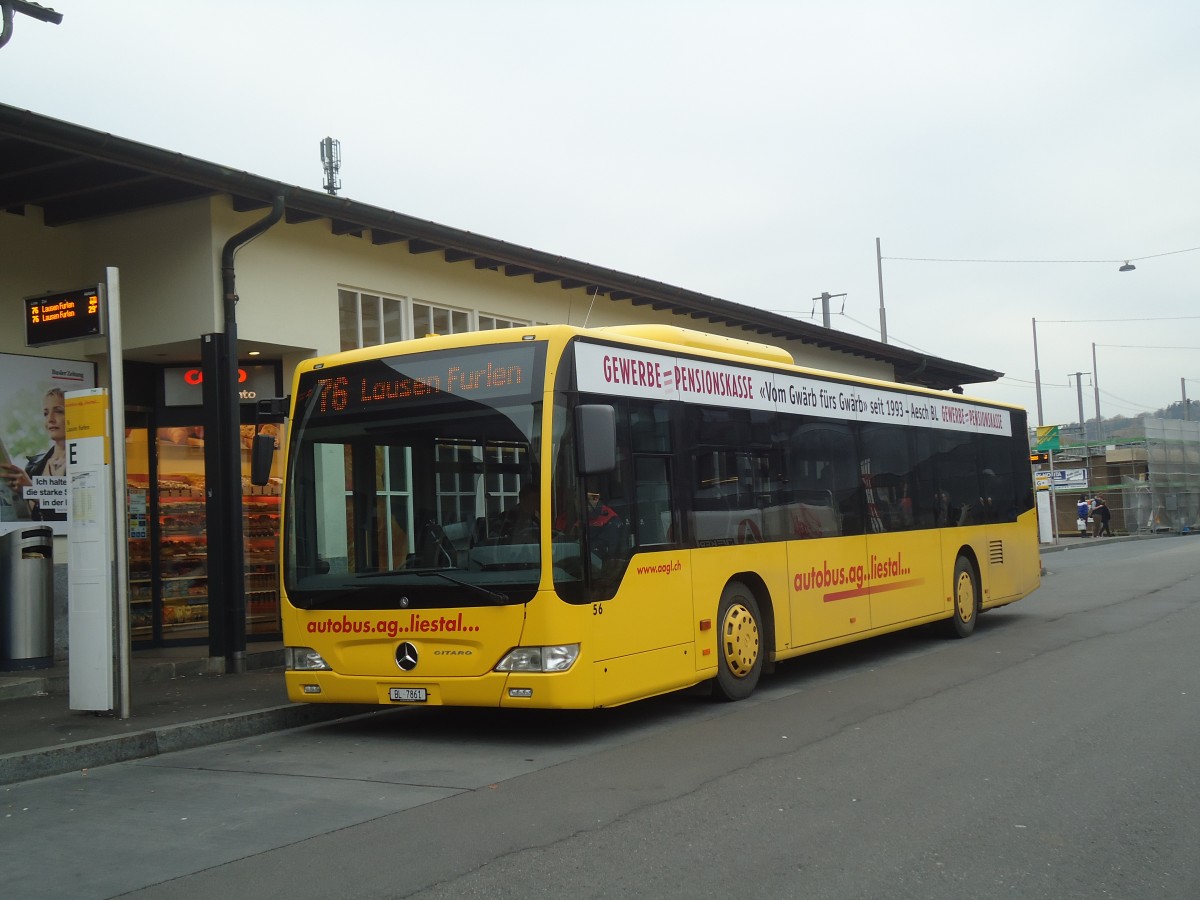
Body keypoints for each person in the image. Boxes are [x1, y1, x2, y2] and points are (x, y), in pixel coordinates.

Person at [0, 387, 67, 521]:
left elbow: (80, 510)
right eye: (45, 413)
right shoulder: (33, 466)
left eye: (59, 411)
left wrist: (33, 491)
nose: (50, 419)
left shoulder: (87, 464)